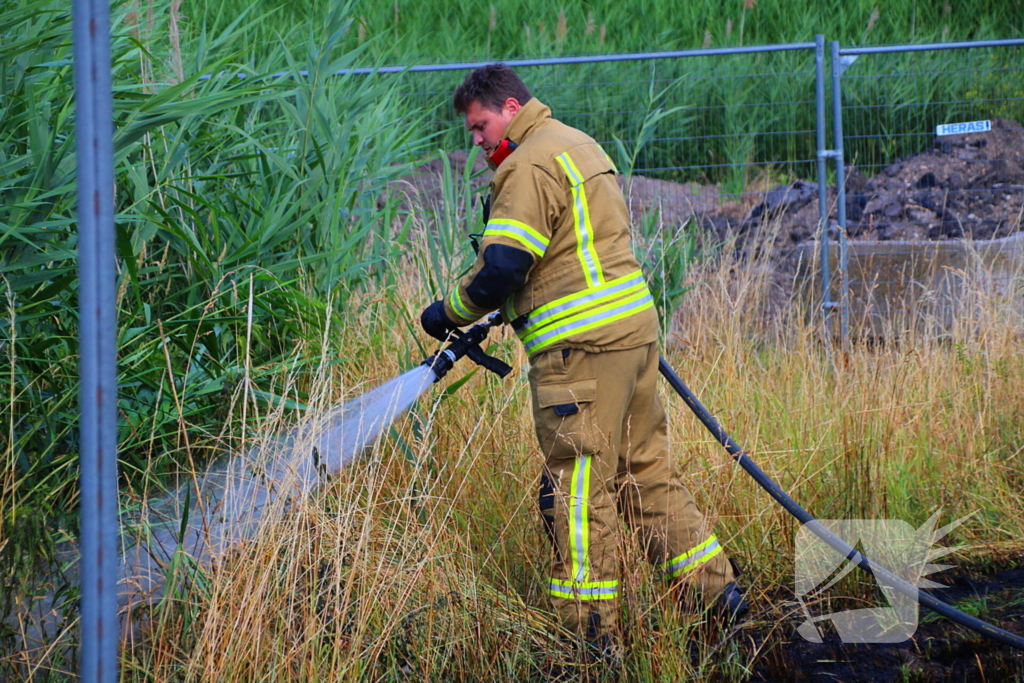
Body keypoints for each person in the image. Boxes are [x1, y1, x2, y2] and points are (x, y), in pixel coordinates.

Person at [419, 63, 747, 650]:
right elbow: (568, 255)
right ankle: (717, 596)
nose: (476, 141)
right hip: (633, 335)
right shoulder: (575, 143)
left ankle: (591, 636)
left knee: (574, 488)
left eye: (480, 126)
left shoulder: (524, 164)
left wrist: (448, 312)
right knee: (645, 472)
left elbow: (502, 268)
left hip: (581, 354)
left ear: (511, 108)